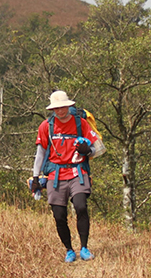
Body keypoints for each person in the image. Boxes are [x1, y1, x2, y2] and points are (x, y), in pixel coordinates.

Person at [32, 90, 104, 263]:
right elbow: (40, 153)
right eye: (56, 108)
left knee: (80, 206)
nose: (60, 111)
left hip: (77, 171)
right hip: (55, 174)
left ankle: (84, 248)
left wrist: (89, 151)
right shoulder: (46, 126)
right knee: (59, 215)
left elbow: (100, 148)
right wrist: (35, 178)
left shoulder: (81, 124)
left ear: (68, 106)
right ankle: (69, 250)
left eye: (62, 107)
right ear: (52, 110)